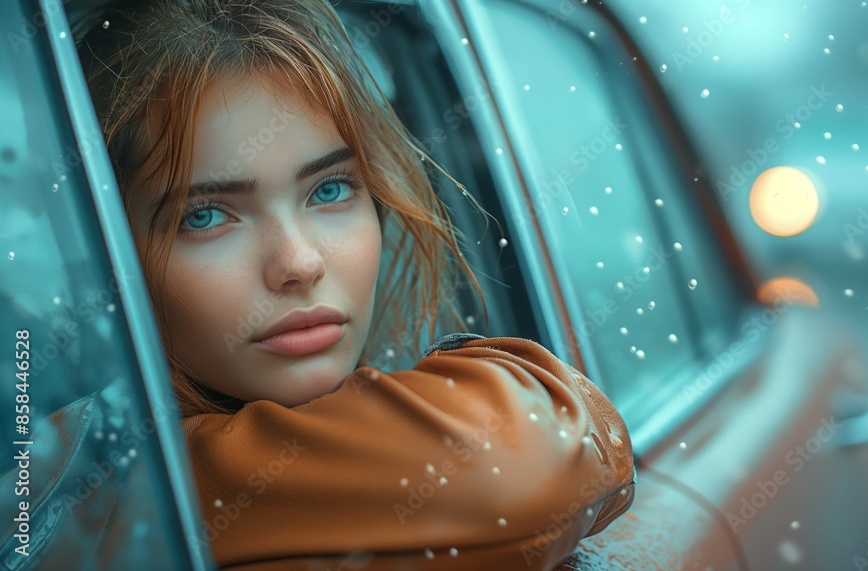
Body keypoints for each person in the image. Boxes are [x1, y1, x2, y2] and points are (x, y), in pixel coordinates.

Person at [75, 0, 635, 568]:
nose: (299, 262)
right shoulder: (99, 486)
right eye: (205, 216)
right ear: (106, 253)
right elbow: (521, 461)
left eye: (329, 189)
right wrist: (572, 405)